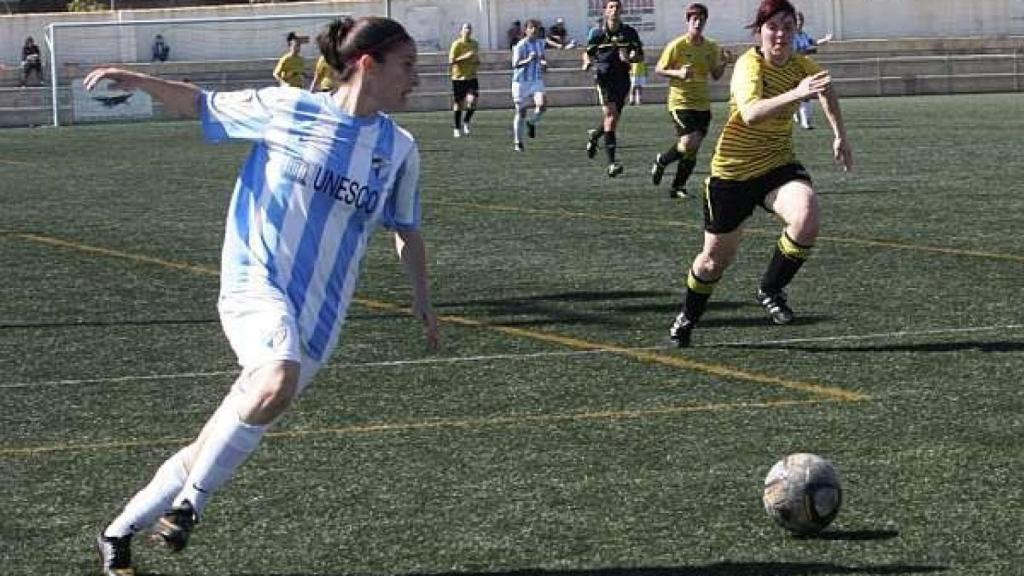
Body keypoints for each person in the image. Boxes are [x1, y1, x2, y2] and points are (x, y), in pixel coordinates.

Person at [88, 16, 440, 576]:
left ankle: (118, 534)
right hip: (256, 285)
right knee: (276, 376)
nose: (416, 79)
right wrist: (139, 80)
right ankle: (188, 510)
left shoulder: (399, 148)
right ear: (367, 64)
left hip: (321, 320)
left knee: (222, 433)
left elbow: (406, 227)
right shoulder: (288, 108)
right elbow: (201, 104)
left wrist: (422, 297)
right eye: (407, 66)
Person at [667, 0, 852, 347]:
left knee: (807, 215)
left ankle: (770, 287)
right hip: (732, 174)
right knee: (713, 262)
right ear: (760, 31)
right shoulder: (748, 65)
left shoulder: (802, 64)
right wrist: (796, 93)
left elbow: (825, 87)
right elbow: (751, 113)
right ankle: (687, 316)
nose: (780, 34)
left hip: (777, 164)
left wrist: (839, 134)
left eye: (787, 26)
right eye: (773, 27)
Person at [649, 3, 731, 199]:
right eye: (694, 19)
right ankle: (663, 160)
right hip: (681, 102)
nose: (698, 22)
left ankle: (678, 187)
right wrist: (678, 73)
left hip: (702, 104)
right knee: (688, 142)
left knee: (692, 150)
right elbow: (659, 69)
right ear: (688, 21)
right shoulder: (677, 45)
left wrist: (724, 62)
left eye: (701, 19)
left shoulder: (711, 47)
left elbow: (716, 75)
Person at [582, 0, 644, 178]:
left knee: (613, 118)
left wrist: (632, 57)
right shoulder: (598, 32)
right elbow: (588, 52)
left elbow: (639, 55)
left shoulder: (629, 32)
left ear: (621, 10)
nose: (614, 10)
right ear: (605, 12)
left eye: (617, 7)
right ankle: (612, 163)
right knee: (611, 117)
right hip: (604, 78)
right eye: (611, 7)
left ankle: (595, 136)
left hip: (623, 79)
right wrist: (587, 62)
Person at [511, 19, 548, 151]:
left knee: (542, 104)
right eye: (531, 27)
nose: (534, 30)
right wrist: (528, 60)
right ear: (526, 30)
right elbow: (515, 64)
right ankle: (518, 142)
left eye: (536, 28)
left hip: (536, 79)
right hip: (521, 82)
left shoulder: (540, 44)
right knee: (521, 112)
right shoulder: (520, 45)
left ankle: (531, 122)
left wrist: (544, 64)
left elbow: (542, 58)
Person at [792, 11, 833, 129]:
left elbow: (813, 42)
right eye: (797, 20)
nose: (800, 23)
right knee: (796, 94)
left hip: (804, 67)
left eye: (801, 20)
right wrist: (809, 51)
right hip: (793, 68)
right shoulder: (791, 36)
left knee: (807, 94)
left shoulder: (804, 35)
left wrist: (825, 40)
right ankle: (798, 115)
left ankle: (806, 122)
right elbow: (795, 52)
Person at [449, 22, 480, 138]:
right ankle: (457, 128)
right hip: (458, 77)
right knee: (459, 104)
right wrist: (465, 57)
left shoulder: (475, 44)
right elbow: (451, 61)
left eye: (469, 28)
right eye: (466, 28)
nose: (468, 30)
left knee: (473, 102)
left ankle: (466, 121)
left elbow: (475, 57)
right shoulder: (456, 44)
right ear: (461, 31)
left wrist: (477, 62)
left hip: (471, 77)